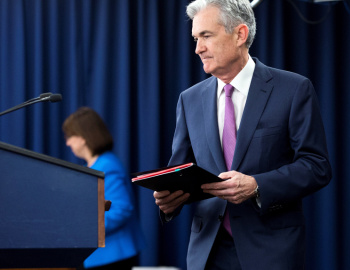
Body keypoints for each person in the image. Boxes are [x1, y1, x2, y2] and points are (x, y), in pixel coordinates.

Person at [153, 0, 332, 269]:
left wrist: (257, 185)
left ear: (240, 34)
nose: (198, 48)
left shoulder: (293, 89)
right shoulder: (189, 99)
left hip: (271, 250)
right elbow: (179, 169)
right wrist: (169, 200)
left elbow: (316, 167)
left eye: (206, 36)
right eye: (195, 38)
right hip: (208, 253)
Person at [63, 107, 145, 270]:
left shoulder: (107, 165)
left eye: (70, 136)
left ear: (83, 137)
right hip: (100, 256)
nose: (68, 142)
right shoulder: (95, 165)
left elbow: (121, 209)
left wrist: (83, 230)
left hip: (113, 256)